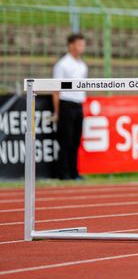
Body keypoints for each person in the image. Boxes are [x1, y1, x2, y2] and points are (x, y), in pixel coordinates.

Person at [52, 33, 88, 180]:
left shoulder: (82, 65)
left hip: (78, 104)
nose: (82, 47)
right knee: (65, 140)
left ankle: (74, 172)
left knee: (76, 141)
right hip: (66, 104)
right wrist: (57, 110)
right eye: (80, 44)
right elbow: (56, 89)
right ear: (71, 45)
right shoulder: (62, 64)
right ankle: (63, 173)